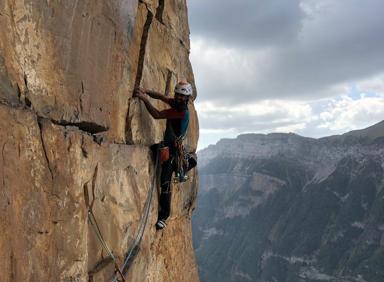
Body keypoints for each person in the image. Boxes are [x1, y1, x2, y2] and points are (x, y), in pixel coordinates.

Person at [134, 81, 197, 230]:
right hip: (171, 145)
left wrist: (144, 99)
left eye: (183, 97)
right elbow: (162, 97)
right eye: (178, 95)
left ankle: (163, 216)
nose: (180, 98)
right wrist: (146, 91)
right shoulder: (177, 104)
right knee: (156, 149)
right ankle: (188, 163)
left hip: (173, 151)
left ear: (187, 98)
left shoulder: (180, 111)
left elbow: (156, 114)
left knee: (165, 183)